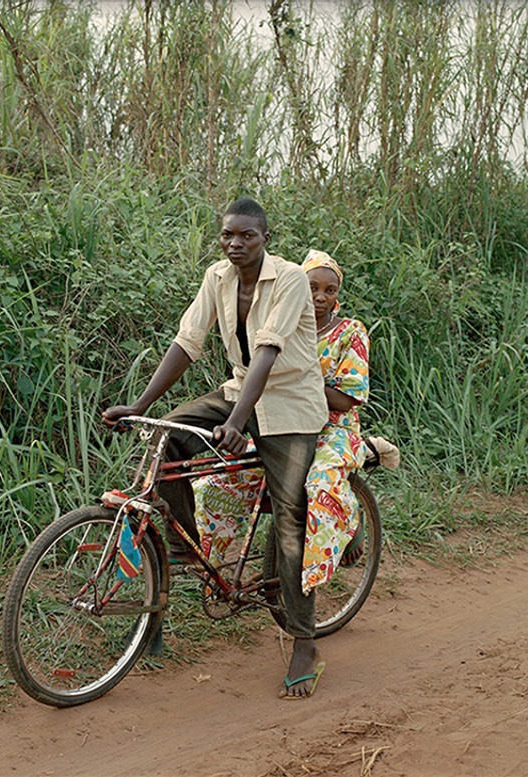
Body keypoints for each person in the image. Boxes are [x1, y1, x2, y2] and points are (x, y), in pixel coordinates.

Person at [102, 197, 328, 700]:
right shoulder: (217, 278)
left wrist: (235, 423)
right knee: (167, 436)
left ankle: (303, 640)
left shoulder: (290, 279)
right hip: (240, 388)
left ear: (265, 237)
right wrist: (136, 404)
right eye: (228, 235)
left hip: (289, 404)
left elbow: (269, 350)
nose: (234, 243)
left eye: (245, 235)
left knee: (290, 518)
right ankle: (187, 546)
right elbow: (188, 343)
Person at [194, 249, 370, 595]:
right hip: (279, 414)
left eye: (329, 290)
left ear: (337, 295)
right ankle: (216, 571)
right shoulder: (282, 319)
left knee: (320, 486)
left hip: (333, 427)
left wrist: (300, 383)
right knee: (218, 482)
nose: (319, 297)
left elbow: (348, 397)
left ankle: (346, 528)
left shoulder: (350, 332)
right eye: (312, 288)